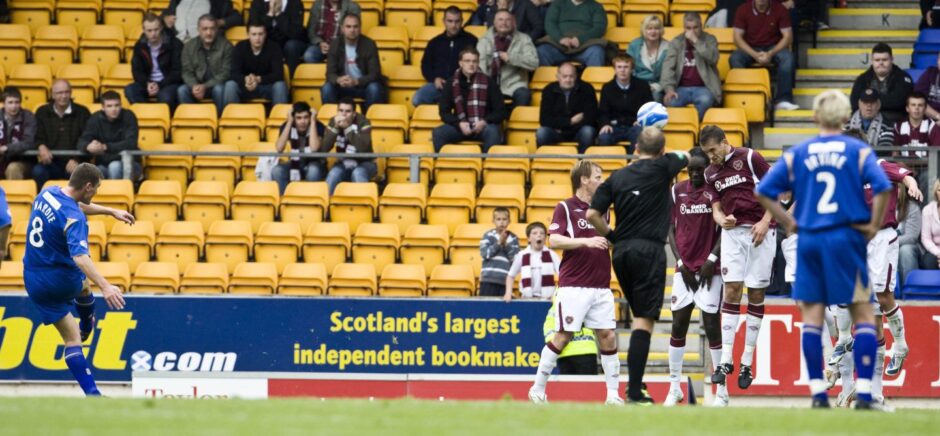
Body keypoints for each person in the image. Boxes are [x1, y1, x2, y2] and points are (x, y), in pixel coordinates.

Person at [755, 89, 893, 410]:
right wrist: (872, 226)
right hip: (847, 239)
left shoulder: (799, 153)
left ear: (816, 117)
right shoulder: (858, 151)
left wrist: (789, 222)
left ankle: (818, 394)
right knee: (863, 314)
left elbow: (764, 191)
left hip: (812, 240)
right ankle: (864, 393)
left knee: (813, 318)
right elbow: (884, 187)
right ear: (846, 117)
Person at [587, 128, 688, 404]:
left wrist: (610, 236)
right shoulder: (664, 166)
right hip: (649, 251)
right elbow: (687, 157)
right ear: (661, 151)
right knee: (643, 321)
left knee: (636, 315)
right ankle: (633, 391)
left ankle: (636, 384)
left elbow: (592, 213)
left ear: (635, 147)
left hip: (620, 253)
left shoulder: (617, 177)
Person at [23, 163, 133, 396]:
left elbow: (77, 204)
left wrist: (110, 211)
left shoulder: (48, 192)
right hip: (59, 278)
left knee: (70, 338)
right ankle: (86, 324)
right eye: (96, 189)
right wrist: (106, 286)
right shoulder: (74, 218)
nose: (96, 193)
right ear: (88, 186)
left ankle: (92, 393)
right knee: (83, 283)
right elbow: (80, 256)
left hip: (33, 278)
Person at [529, 160, 623, 405]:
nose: (601, 182)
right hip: (574, 285)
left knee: (608, 336)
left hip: (601, 285)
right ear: (584, 179)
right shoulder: (565, 207)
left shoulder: (603, 210)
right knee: (563, 335)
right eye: (598, 177)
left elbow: (607, 240)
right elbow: (555, 241)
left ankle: (613, 395)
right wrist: (586, 242)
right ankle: (537, 389)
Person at [699, 125, 775, 395]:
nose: (711, 157)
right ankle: (727, 360)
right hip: (732, 234)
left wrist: (766, 221)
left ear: (724, 142)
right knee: (731, 291)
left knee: (756, 293)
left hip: (760, 232)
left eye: (713, 151)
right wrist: (723, 220)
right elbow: (716, 210)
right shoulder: (711, 173)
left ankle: (747, 362)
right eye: (706, 153)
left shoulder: (750, 157)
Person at [662, 147, 724, 407]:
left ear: (708, 167)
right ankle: (674, 386)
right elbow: (670, 229)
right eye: (692, 170)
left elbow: (726, 228)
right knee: (678, 325)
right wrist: (680, 263)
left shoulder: (716, 190)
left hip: (711, 268)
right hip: (684, 268)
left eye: (701, 169)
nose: (696, 174)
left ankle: (721, 390)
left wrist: (711, 259)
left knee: (711, 326)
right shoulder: (677, 191)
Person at [432, 47, 507, 152]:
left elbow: (500, 111)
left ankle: (487, 165)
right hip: (460, 126)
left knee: (493, 131)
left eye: (474, 61)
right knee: (439, 132)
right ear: (460, 63)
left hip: (482, 126)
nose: (471, 64)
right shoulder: (451, 83)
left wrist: (485, 122)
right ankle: (444, 165)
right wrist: (458, 123)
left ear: (478, 63)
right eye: (467, 61)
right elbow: (444, 111)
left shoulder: (489, 82)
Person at [729, 0, 798, 111]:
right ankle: (745, 97)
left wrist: (770, 53)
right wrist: (755, 55)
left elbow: (788, 37)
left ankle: (783, 100)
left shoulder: (780, 9)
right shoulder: (743, 9)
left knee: (788, 58)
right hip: (751, 47)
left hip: (773, 46)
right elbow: (737, 38)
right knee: (735, 58)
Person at [413, 6, 479, 107]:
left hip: (463, 86)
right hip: (439, 86)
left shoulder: (472, 41)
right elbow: (425, 65)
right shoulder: (434, 42)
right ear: (444, 21)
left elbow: (477, 66)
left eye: (457, 21)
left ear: (462, 21)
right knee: (418, 99)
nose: (453, 25)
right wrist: (435, 78)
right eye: (450, 21)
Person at [662, 13, 721, 121]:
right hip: (681, 88)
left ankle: (694, 127)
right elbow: (668, 67)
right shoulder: (677, 42)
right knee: (672, 102)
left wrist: (696, 41)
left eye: (695, 27)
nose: (692, 31)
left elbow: (713, 58)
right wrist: (669, 89)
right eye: (688, 28)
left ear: (701, 26)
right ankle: (684, 130)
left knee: (706, 100)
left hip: (704, 87)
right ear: (684, 28)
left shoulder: (710, 39)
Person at [322, 13, 387, 112]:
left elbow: (375, 74)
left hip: (363, 86)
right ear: (342, 28)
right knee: (327, 88)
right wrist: (338, 79)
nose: (352, 30)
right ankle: (334, 121)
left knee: (375, 88)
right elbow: (330, 74)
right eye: (348, 27)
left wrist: (356, 81)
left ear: (360, 28)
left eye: (355, 26)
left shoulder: (369, 44)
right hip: (342, 87)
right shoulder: (335, 44)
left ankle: (370, 120)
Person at [33, 80, 91, 188]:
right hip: (51, 162)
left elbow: (87, 138)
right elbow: (37, 135)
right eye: (59, 93)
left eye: (66, 92)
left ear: (71, 93)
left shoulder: (83, 112)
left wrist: (76, 159)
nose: (63, 96)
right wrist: (41, 146)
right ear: (52, 94)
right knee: (38, 171)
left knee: (79, 174)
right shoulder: (42, 112)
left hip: (76, 162)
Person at [477, 9, 538, 109]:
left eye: (507, 20)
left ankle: (515, 121)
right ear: (494, 22)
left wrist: (511, 58)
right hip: (491, 84)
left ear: (513, 22)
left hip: (515, 85)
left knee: (524, 95)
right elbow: (480, 67)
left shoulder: (524, 39)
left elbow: (534, 63)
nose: (504, 23)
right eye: (500, 20)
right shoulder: (484, 40)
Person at [77, 91, 141, 180]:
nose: (114, 109)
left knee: (114, 166)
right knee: (94, 172)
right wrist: (88, 146)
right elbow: (82, 140)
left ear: (121, 105)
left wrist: (105, 147)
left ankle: (118, 193)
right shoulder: (95, 118)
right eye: (109, 106)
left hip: (130, 163)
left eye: (117, 105)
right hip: (104, 164)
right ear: (103, 107)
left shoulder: (129, 116)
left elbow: (131, 143)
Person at [126, 13, 184, 110]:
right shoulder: (140, 45)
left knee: (165, 97)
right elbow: (136, 70)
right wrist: (147, 83)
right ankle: (144, 116)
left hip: (168, 83)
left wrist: (159, 85)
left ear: (161, 28)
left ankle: (162, 119)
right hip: (148, 83)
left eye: (156, 29)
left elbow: (178, 71)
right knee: (130, 90)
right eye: (149, 30)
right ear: (144, 30)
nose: (153, 34)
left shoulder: (174, 43)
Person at [224, 20, 290, 105]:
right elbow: (233, 73)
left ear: (265, 34)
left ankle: (279, 117)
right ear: (248, 34)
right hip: (246, 86)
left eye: (260, 34)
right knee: (230, 85)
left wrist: (258, 79)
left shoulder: (274, 47)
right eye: (254, 34)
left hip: (266, 86)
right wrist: (246, 79)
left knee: (280, 86)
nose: (257, 38)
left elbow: (278, 74)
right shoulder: (240, 47)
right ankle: (230, 117)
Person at [178, 14, 233, 114]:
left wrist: (205, 86)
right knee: (182, 90)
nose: (209, 32)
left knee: (219, 90)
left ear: (217, 29)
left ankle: (218, 120)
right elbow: (186, 72)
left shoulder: (226, 46)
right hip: (197, 86)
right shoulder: (189, 46)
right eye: (205, 29)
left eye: (212, 28)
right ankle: (191, 122)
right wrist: (194, 85)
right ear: (198, 29)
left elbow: (226, 73)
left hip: (216, 85)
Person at [536, 62, 597, 152]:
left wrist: (564, 127)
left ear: (576, 76)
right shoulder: (548, 90)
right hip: (556, 131)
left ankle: (583, 163)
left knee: (588, 131)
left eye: (571, 76)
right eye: (564, 76)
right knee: (542, 133)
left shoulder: (587, 89)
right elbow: (544, 119)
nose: (568, 80)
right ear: (558, 77)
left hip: (578, 131)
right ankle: (546, 162)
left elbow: (591, 118)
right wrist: (570, 121)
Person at [321, 98, 376, 195]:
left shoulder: (364, 122)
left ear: (354, 113)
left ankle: (363, 207)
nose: (343, 114)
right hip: (343, 163)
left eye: (348, 111)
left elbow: (363, 148)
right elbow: (324, 148)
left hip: (365, 163)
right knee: (334, 174)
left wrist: (347, 128)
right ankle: (326, 207)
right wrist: (335, 129)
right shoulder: (333, 122)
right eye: (341, 111)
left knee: (358, 172)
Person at [597, 54, 653, 149]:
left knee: (639, 133)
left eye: (626, 67)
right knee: (604, 137)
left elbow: (649, 108)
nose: (622, 70)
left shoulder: (642, 86)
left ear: (631, 69)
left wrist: (641, 120)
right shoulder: (607, 88)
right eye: (619, 67)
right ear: (614, 69)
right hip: (614, 126)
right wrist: (605, 124)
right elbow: (603, 111)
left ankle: (634, 163)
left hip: (634, 126)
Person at [850, 43, 913, 125]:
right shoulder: (862, 79)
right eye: (877, 60)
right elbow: (855, 102)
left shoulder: (903, 78)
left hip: (895, 123)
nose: (881, 63)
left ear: (891, 59)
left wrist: (870, 100)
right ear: (872, 61)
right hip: (867, 123)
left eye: (884, 60)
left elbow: (899, 102)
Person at [536, 0, 607, 67]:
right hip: (558, 46)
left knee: (597, 52)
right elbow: (549, 24)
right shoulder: (558, 4)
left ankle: (594, 80)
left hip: (585, 47)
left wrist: (581, 39)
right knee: (542, 51)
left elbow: (599, 28)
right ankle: (546, 80)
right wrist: (560, 38)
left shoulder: (596, 6)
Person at [272, 102, 324, 194]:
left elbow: (314, 148)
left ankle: (312, 202)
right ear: (294, 118)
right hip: (295, 162)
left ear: (310, 116)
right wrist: (289, 122)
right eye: (299, 118)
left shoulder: (317, 125)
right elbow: (279, 148)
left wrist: (313, 121)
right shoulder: (288, 125)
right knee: (277, 170)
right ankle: (285, 201)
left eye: (306, 117)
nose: (303, 121)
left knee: (313, 170)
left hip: (314, 163)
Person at [504, 221, 560, 302]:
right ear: (528, 238)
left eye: (542, 233)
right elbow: (510, 276)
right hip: (527, 300)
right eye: (534, 233)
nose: (539, 235)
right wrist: (508, 292)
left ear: (545, 238)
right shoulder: (522, 255)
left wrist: (557, 293)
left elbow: (563, 274)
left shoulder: (552, 255)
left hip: (547, 300)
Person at [542, 295, 598, 375]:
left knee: (567, 386)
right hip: (586, 350)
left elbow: (548, 329)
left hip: (565, 353)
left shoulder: (556, 307)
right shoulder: (587, 301)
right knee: (588, 386)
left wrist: (557, 343)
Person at [248, 0, 307, 74]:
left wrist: (279, 15)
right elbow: (253, 29)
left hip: (288, 41)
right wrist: (270, 14)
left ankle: (288, 78)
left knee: (292, 46)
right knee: (255, 41)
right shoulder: (257, 3)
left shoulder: (295, 3)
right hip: (267, 40)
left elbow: (295, 33)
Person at [626, 15, 668, 101]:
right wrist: (638, 85)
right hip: (636, 85)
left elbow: (670, 74)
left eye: (656, 28)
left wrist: (657, 87)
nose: (653, 31)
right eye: (649, 28)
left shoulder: (669, 47)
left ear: (661, 30)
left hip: (658, 87)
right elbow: (629, 67)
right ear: (644, 30)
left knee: (655, 97)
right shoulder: (634, 45)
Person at [480, 207, 520, 297]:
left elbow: (515, 260)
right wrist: (498, 243)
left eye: (504, 219)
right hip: (488, 280)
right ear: (493, 221)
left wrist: (505, 245)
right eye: (498, 219)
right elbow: (485, 254)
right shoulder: (488, 235)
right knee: (486, 308)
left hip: (505, 281)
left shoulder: (513, 238)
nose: (501, 222)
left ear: (509, 221)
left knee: (502, 310)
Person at [0, 87, 37, 180]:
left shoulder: (28, 117)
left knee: (13, 168)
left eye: (17, 102)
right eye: (10, 102)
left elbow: (29, 142)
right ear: (3, 103)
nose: (14, 106)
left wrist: (7, 148)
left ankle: (12, 194)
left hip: (23, 161)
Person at [162, 0, 243, 41]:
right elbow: (164, 15)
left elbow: (237, 18)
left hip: (203, 45)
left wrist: (219, 22)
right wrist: (165, 19)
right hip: (177, 42)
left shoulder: (219, 1)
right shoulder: (177, 1)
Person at [894, 92, 940, 159]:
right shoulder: (898, 126)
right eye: (913, 105)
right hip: (903, 167)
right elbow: (895, 153)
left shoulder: (932, 126)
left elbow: (936, 154)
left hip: (927, 168)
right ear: (907, 108)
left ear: (925, 109)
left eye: (920, 105)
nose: (916, 108)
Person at [898, 196, 923, 288]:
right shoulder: (880, 206)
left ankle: (909, 289)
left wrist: (889, 242)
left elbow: (911, 237)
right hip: (885, 245)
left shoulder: (912, 208)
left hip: (909, 247)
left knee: (905, 250)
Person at [913, 51, 940, 122]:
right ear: (937, 61)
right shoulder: (930, 73)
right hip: (928, 119)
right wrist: (938, 116)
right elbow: (918, 100)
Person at [923, 180, 940, 269]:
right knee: (928, 261)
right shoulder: (927, 210)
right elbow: (926, 238)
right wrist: (938, 253)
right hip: (934, 250)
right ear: (935, 193)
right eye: (939, 190)